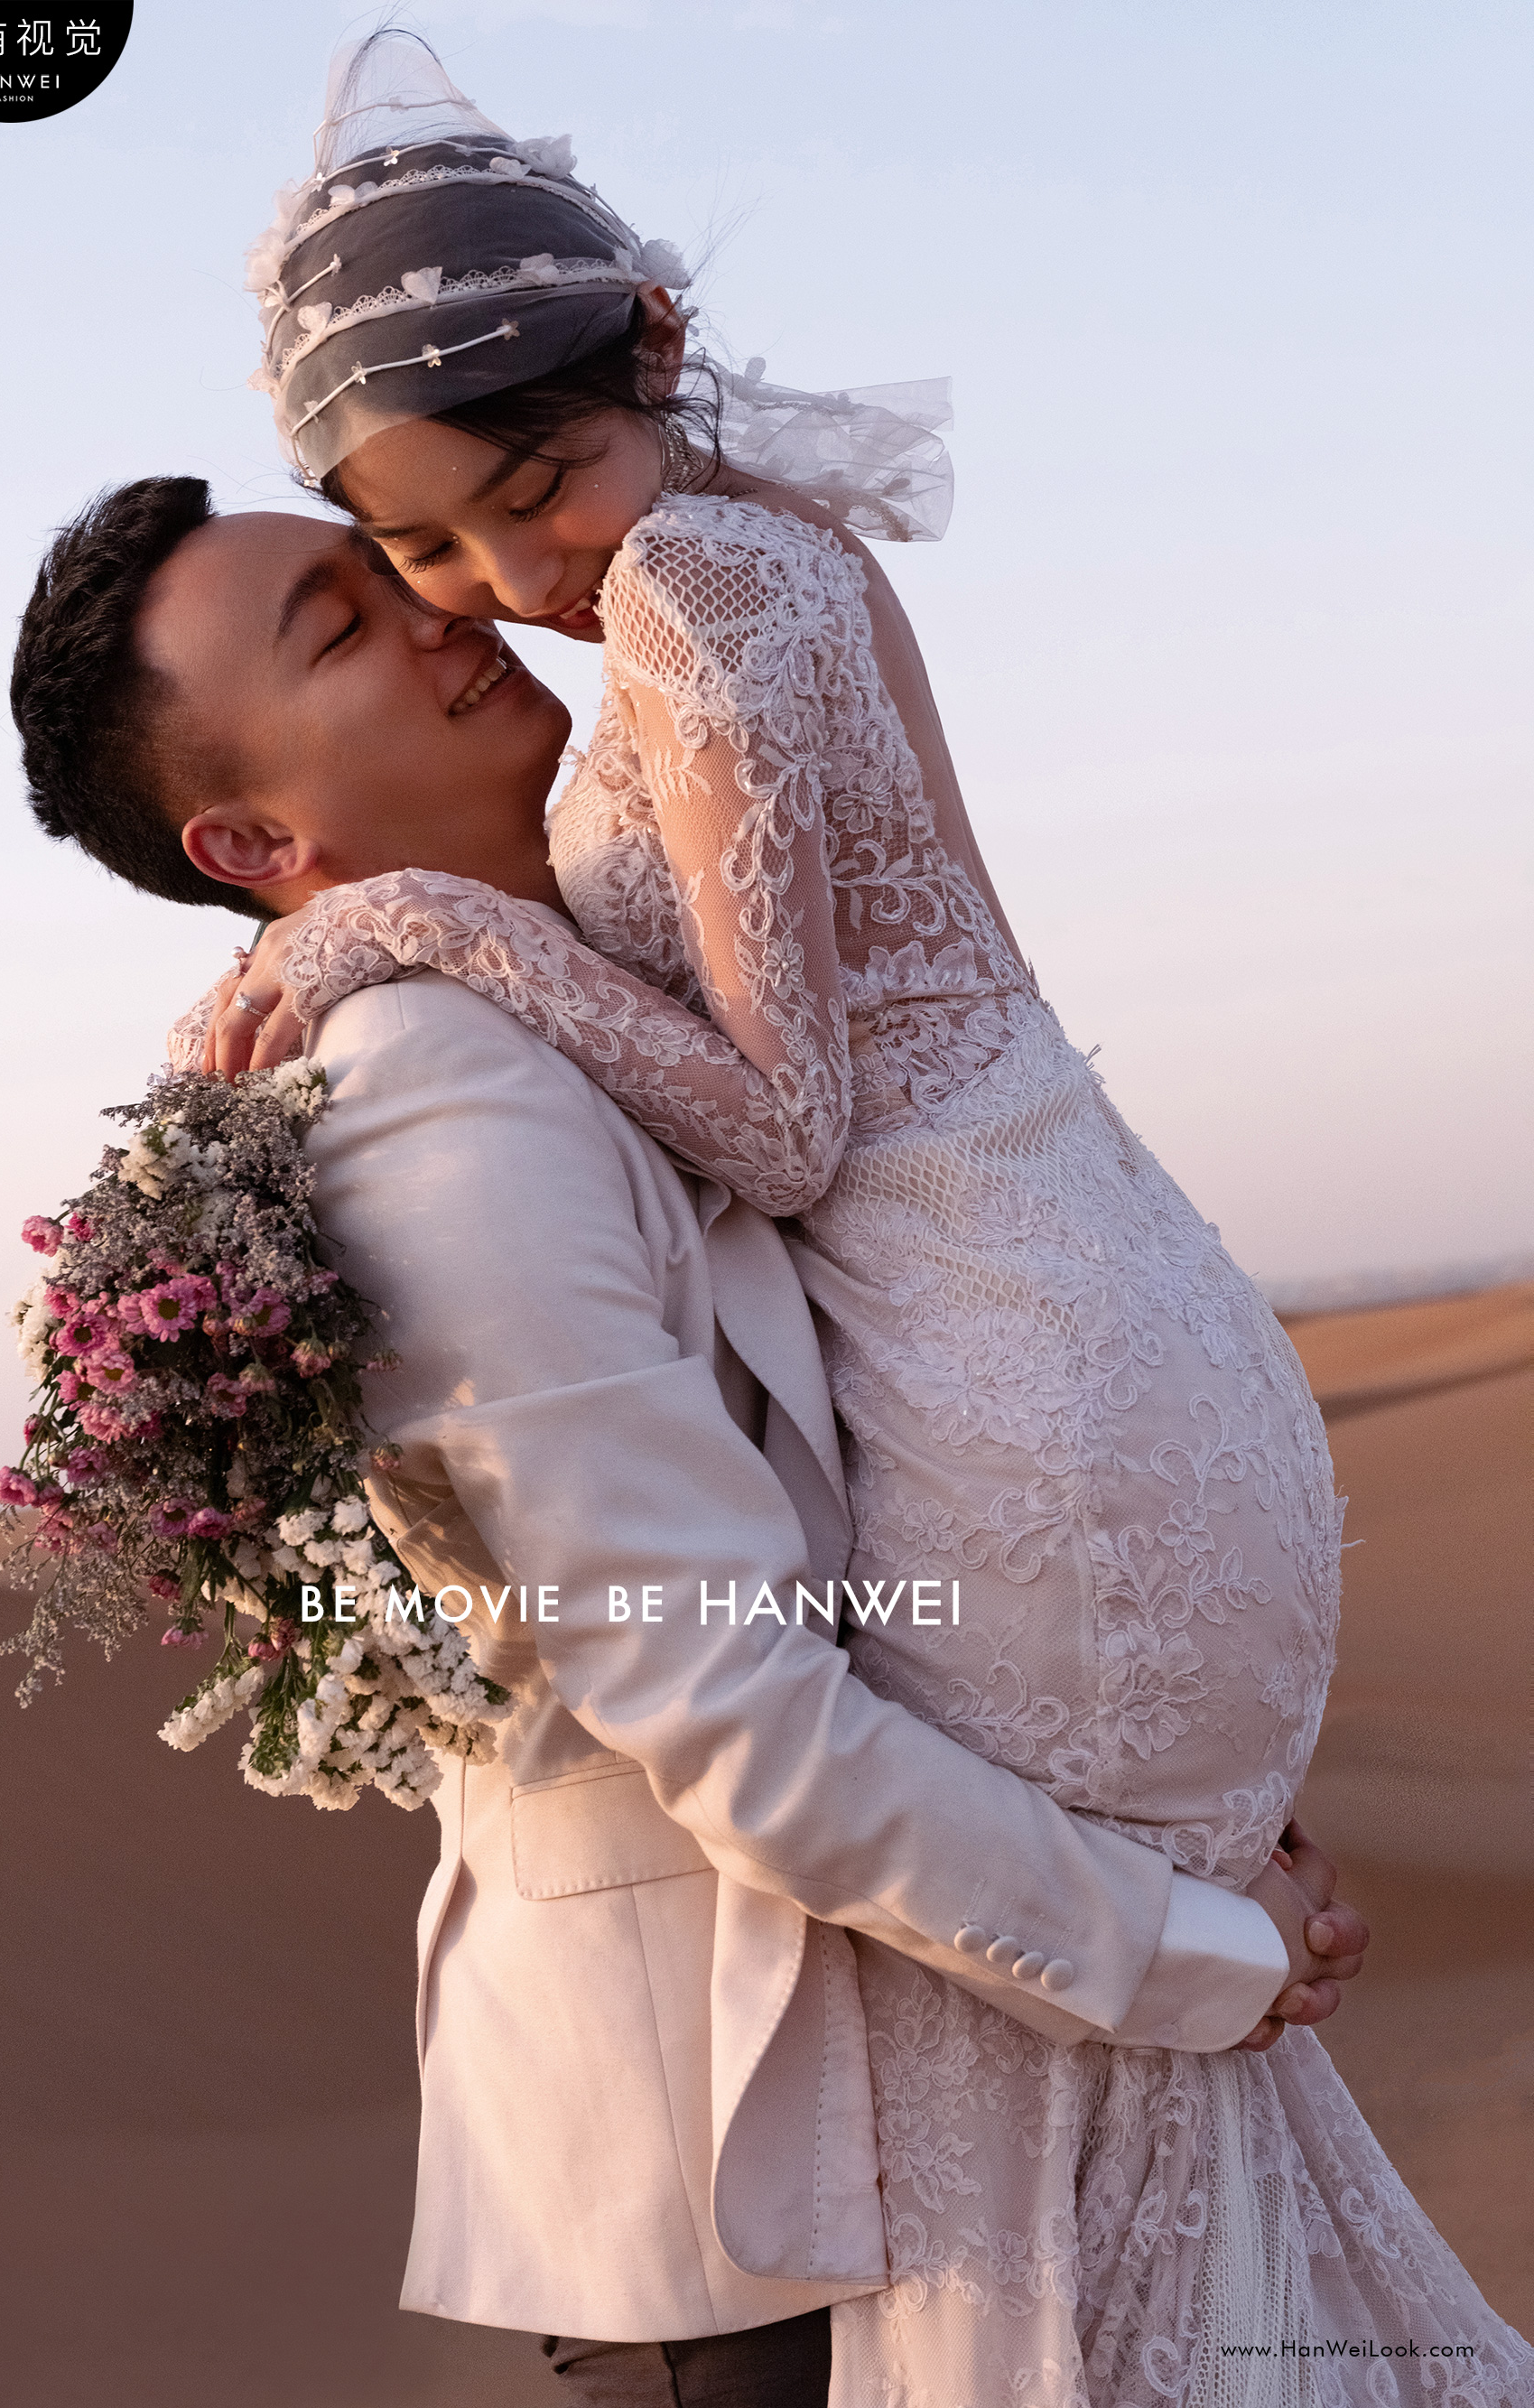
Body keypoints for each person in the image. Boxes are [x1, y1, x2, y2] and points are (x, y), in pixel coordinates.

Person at [164, 33, 1531, 2406]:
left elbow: (784, 1130)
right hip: (1077, 1276)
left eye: (532, 490)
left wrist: (417, 921)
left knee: (1041, 2161)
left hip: (1012, 1330)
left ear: (655, 348)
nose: (514, 583)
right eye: (426, 557)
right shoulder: (757, 539)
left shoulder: (696, 580)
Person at [11, 489, 1386, 2408]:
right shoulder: (428, 1096)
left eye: (395, 570)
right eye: (341, 625)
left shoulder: (595, 999)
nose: (436, 612)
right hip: (751, 2189)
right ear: (250, 846)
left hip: (921, 2088)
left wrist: (1179, 1799)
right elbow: (720, 1696)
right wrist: (1188, 1945)